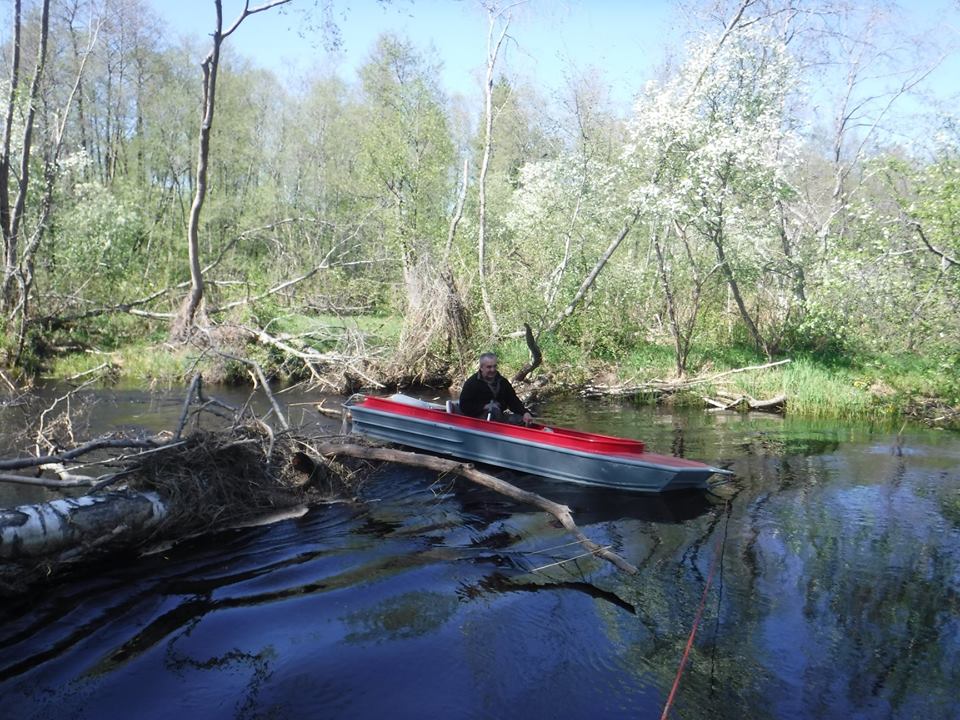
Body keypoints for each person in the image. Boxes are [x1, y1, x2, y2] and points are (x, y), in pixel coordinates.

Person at [459, 352, 534, 425]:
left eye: (494, 366)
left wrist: (525, 413)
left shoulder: (503, 382)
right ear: (481, 368)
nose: (493, 370)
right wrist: (484, 407)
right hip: (477, 419)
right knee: (494, 411)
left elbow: (513, 401)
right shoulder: (472, 383)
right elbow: (464, 406)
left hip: (499, 418)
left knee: (522, 419)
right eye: (489, 367)